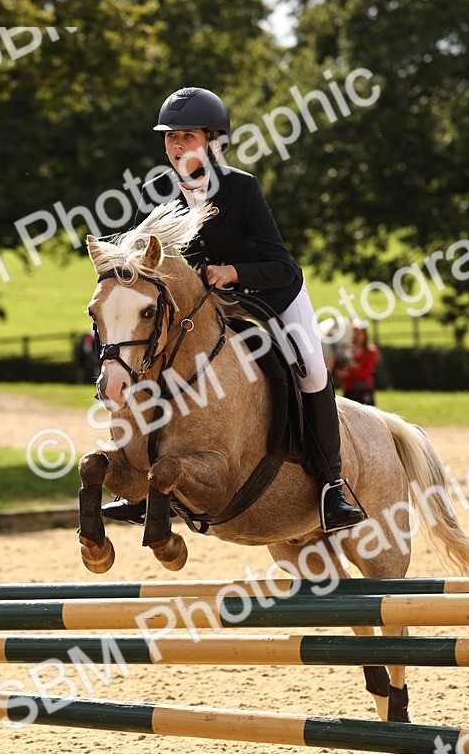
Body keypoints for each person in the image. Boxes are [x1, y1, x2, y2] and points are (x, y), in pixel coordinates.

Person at [101, 86, 366, 534]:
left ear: (213, 140)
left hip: (270, 295)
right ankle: (140, 489)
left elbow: (282, 266)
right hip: (205, 308)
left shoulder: (242, 189)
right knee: (147, 368)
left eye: (187, 136)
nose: (177, 145)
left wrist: (232, 272)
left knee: (313, 373)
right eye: (170, 137)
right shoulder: (157, 193)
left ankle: (331, 487)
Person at [334, 320, 378, 406]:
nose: (357, 337)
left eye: (360, 334)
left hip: (364, 389)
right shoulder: (346, 351)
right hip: (349, 389)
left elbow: (365, 373)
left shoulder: (370, 351)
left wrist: (349, 372)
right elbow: (339, 372)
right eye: (355, 333)